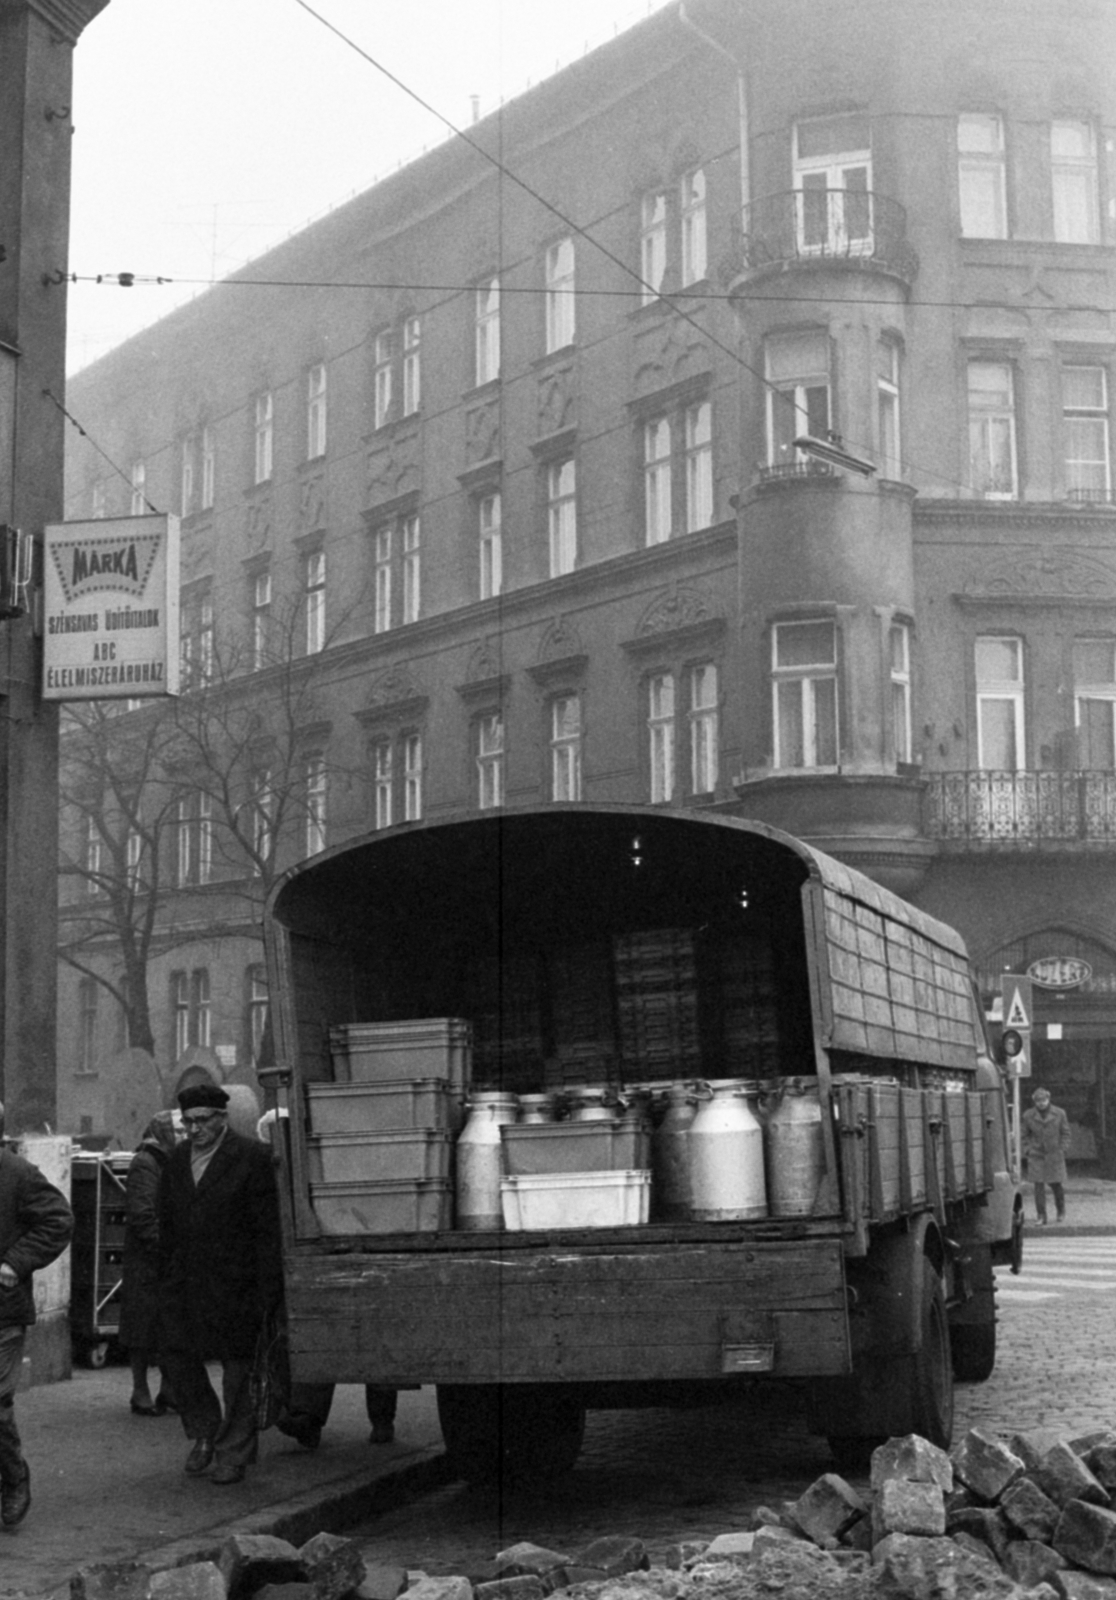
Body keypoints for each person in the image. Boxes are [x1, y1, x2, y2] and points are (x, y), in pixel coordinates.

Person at [158, 1083, 282, 1485]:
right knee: (176, 1358)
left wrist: (268, 1292)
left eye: (202, 1121)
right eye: (187, 1122)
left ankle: (233, 1453)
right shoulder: (176, 1161)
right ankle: (204, 1432)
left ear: (222, 1118)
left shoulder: (251, 1158)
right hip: (185, 1284)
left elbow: (267, 1230)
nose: (194, 1130)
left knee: (239, 1373)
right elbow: (167, 1223)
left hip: (237, 1285)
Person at [255, 1111, 398, 1451]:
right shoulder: (287, 1169)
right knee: (322, 1336)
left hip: (359, 1249)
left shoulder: (336, 1158)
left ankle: (380, 1419)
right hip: (323, 1256)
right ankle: (309, 1419)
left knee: (372, 1338)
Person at [0, 1101, 74, 1530]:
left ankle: (13, 1479)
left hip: (2, 1313)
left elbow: (59, 1221)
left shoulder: (18, 1175)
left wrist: (15, 1263)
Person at [119, 1111, 179, 1416]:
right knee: (142, 1330)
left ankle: (169, 1390)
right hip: (149, 1259)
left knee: (170, 1327)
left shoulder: (168, 1159)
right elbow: (142, 1214)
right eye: (177, 1130)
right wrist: (165, 1247)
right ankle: (140, 1392)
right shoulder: (146, 1162)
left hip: (164, 1257)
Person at [1022, 1086, 1071, 1224]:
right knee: (1038, 1187)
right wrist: (1028, 1150)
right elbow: (1024, 1135)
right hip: (1036, 1155)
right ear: (1034, 1101)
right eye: (1038, 1101)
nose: (1041, 1103)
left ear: (1048, 1099)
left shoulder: (1060, 1113)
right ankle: (1041, 1216)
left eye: (1043, 1100)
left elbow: (1066, 1133)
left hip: (1055, 1154)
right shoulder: (1028, 1115)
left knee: (1056, 1185)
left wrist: (1063, 1149)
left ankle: (1061, 1211)